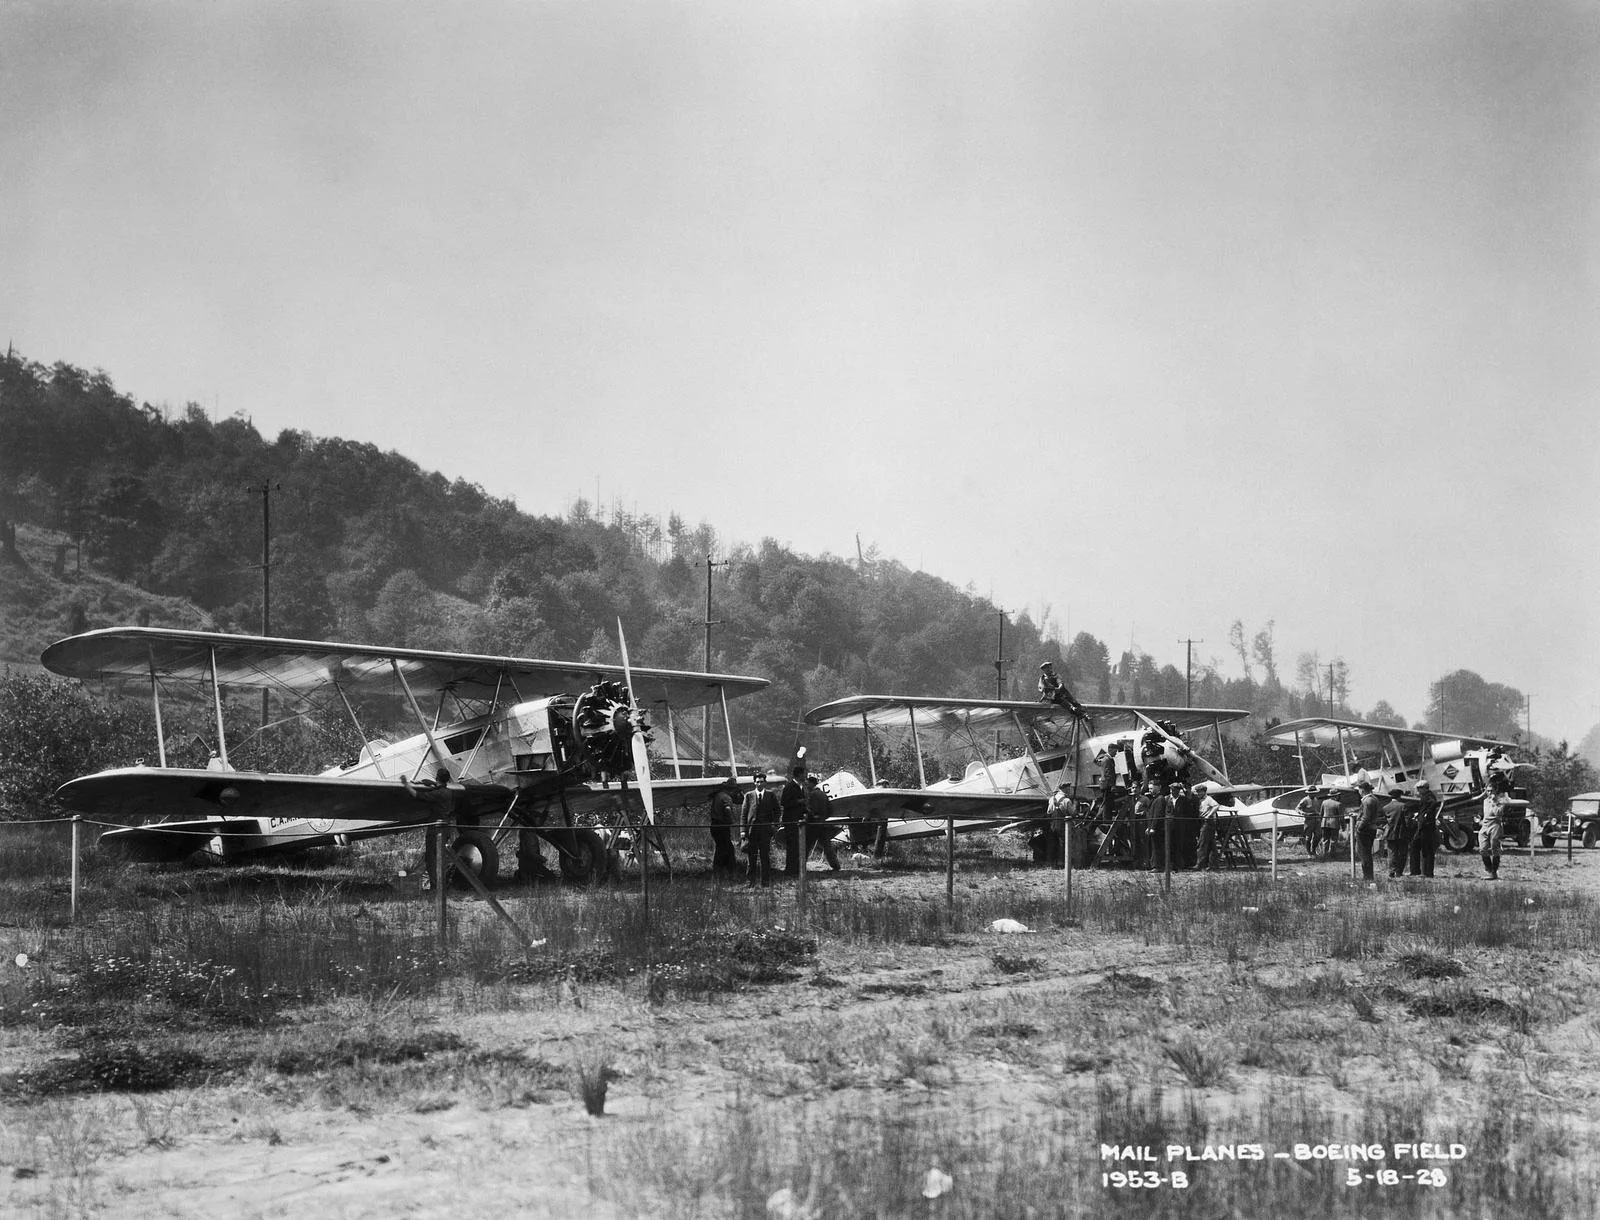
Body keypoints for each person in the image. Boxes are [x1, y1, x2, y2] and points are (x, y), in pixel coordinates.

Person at [740, 771, 780, 886]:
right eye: (757, 782)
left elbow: (777, 810)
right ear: (754, 783)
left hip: (765, 832)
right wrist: (743, 831)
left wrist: (775, 824)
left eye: (761, 782)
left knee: (765, 857)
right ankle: (750, 882)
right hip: (752, 832)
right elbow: (743, 814)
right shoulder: (748, 796)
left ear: (765, 782)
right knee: (751, 858)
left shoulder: (770, 795)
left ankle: (765, 882)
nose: (759, 784)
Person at [802, 775, 842, 871]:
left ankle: (801, 866)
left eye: (808, 784)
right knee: (827, 846)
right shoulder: (823, 794)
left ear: (812, 783)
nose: (807, 786)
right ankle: (836, 865)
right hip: (822, 824)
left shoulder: (813, 795)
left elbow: (811, 810)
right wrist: (823, 818)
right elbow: (830, 810)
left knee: (806, 846)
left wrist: (809, 817)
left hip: (813, 825)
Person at [708, 773, 741, 878]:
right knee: (726, 849)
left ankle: (721, 870)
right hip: (721, 826)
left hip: (715, 825)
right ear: (732, 790)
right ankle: (725, 871)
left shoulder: (718, 795)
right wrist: (731, 820)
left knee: (722, 848)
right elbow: (727, 809)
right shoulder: (727, 797)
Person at [1481, 772, 1511, 880]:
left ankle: (1494, 872)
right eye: (1487, 791)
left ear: (1495, 791)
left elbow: (1498, 813)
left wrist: (1494, 802)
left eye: (1491, 791)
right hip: (1485, 826)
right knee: (1483, 849)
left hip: (1495, 826)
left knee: (1495, 848)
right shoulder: (1485, 801)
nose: (1489, 793)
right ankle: (1489, 869)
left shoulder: (1500, 801)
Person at [1408, 780, 1440, 878]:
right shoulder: (1427, 796)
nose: (1418, 791)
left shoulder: (1428, 796)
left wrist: (1426, 815)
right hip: (1425, 826)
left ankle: (1424, 872)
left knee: (1425, 849)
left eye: (1419, 789)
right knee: (1419, 848)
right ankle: (1421, 871)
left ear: (1423, 788)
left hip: (1425, 827)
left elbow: (1433, 803)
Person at [779, 765, 807, 876]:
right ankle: (790, 870)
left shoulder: (801, 787)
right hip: (791, 821)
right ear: (799, 774)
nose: (805, 776)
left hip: (798, 821)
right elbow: (784, 802)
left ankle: (795, 869)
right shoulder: (790, 787)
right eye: (804, 774)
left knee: (797, 846)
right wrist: (799, 802)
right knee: (792, 846)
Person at [1354, 781, 1384, 881]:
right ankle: (1368, 875)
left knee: (1364, 853)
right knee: (1366, 853)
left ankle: (1367, 876)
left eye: (1359, 789)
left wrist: (1359, 827)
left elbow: (1366, 817)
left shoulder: (1367, 801)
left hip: (1365, 829)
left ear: (1362, 790)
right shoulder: (1374, 799)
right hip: (1371, 828)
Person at [1382, 788, 1413, 878]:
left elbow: (1385, 821)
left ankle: (1391, 871)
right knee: (1402, 853)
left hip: (1390, 833)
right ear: (1399, 796)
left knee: (1391, 853)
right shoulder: (1403, 806)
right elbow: (1407, 821)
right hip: (1402, 833)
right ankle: (1399, 872)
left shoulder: (1385, 807)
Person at [1171, 781, 1200, 868]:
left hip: (1192, 824)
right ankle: (1183, 862)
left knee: (1191, 843)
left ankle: (1191, 862)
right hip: (1183, 825)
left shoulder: (1193, 798)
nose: (1185, 790)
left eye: (1187, 788)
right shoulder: (1184, 798)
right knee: (1183, 844)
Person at [1194, 784, 1221, 870]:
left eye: (1199, 792)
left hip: (1207, 822)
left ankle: (1200, 864)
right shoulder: (1200, 800)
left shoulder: (1208, 799)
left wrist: (1208, 815)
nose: (1198, 793)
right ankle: (1213, 864)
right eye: (1197, 792)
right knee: (1211, 844)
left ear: (1204, 791)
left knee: (1202, 843)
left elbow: (1216, 806)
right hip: (1202, 821)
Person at [1131, 784, 1153, 868]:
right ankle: (1136, 861)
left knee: (1143, 841)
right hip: (1132, 823)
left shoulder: (1145, 799)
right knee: (1134, 841)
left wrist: (1142, 814)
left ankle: (1146, 861)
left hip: (1142, 822)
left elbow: (1149, 811)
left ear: (1140, 789)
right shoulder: (1129, 799)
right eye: (1133, 788)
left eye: (1136, 787)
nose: (1134, 789)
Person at [1320, 788, 1345, 860]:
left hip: (1324, 824)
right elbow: (1341, 817)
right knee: (1333, 840)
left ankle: (1324, 854)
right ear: (1336, 796)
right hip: (1334, 824)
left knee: (1325, 839)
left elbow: (1321, 814)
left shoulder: (1324, 802)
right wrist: (1343, 826)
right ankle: (1332, 855)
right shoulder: (1338, 804)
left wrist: (1321, 823)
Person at [1298, 788, 1322, 857]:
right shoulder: (1305, 800)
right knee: (1308, 837)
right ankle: (1309, 853)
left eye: (1315, 792)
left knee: (1318, 835)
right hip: (1309, 821)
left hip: (1317, 820)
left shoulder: (1316, 799)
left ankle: (1313, 850)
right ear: (1309, 793)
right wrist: (1305, 814)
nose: (1313, 794)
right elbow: (1298, 808)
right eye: (1312, 793)